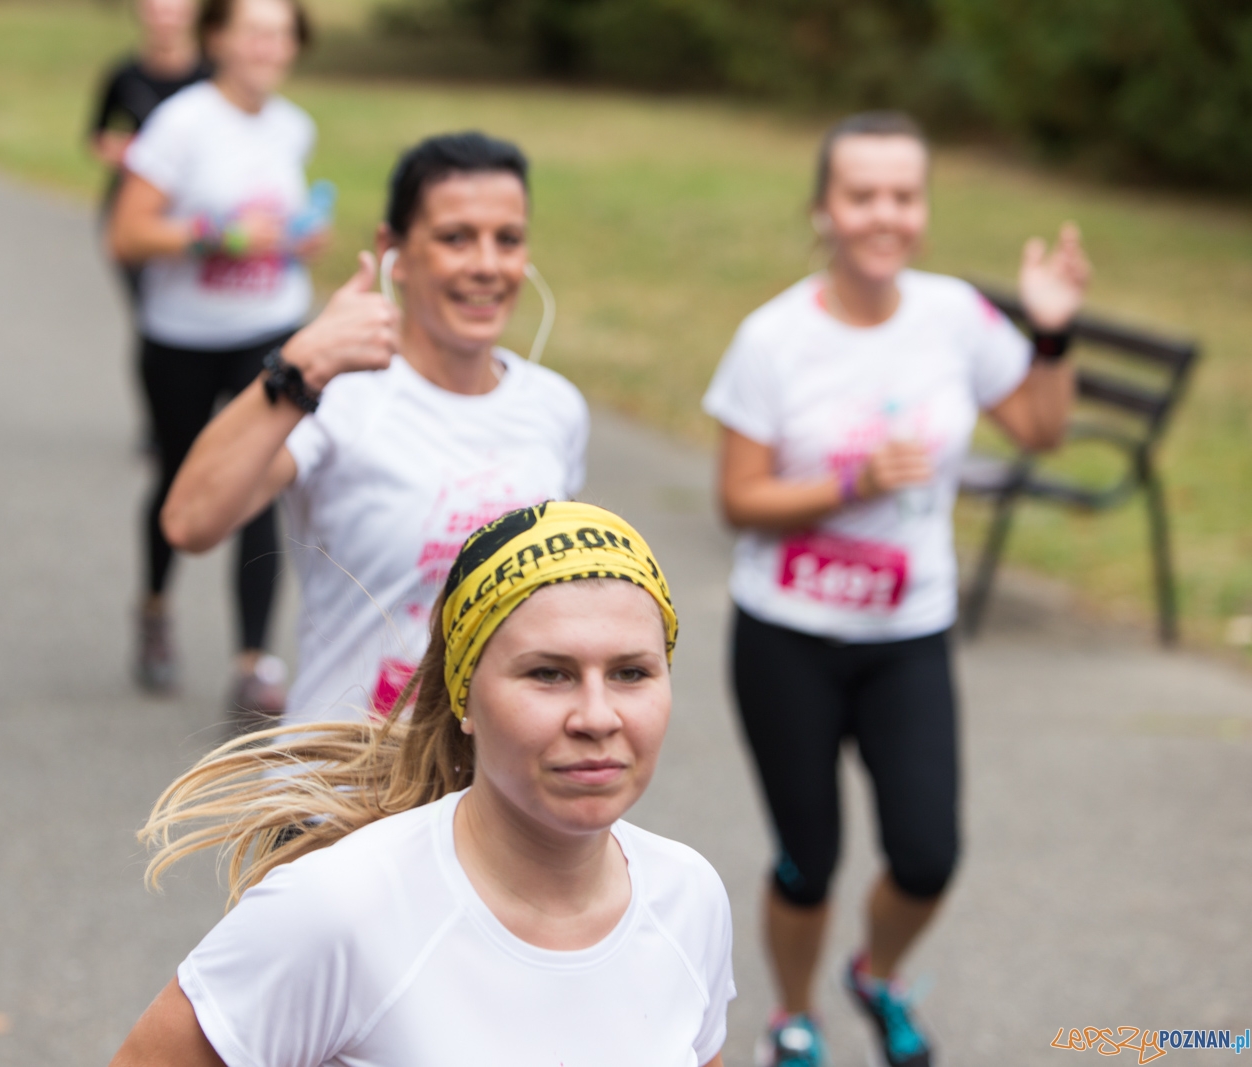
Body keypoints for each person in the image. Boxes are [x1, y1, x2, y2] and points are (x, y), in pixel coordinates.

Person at [703, 111, 1088, 1067]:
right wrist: (850, 483)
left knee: (927, 855)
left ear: (922, 206)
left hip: (909, 634)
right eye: (862, 194)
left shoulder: (954, 316)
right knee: (809, 858)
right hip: (787, 635)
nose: (885, 214)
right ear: (824, 209)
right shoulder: (773, 338)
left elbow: (1040, 428)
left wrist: (1052, 330)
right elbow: (738, 500)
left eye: (904, 196)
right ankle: (794, 1017)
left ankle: (875, 973)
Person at [110, 501, 734, 1067]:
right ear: (466, 696)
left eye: (631, 672)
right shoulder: (339, 908)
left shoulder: (690, 896)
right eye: (548, 673)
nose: (598, 716)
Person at [161, 131, 590, 726]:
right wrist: (298, 369)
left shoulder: (555, 407)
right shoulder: (337, 396)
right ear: (395, 251)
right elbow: (189, 522)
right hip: (337, 790)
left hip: (484, 797)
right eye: (455, 238)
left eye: (508, 239)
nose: (487, 265)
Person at [107, 0, 324, 707]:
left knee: (263, 477)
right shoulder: (182, 122)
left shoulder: (294, 126)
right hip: (182, 336)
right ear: (218, 38)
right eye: (254, 31)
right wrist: (218, 237)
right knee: (181, 478)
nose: (269, 46)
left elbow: (279, 223)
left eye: (282, 34)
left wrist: (297, 237)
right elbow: (127, 234)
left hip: (269, 329)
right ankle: (154, 608)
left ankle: (254, 659)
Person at [89, 0, 209, 454]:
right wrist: (126, 152)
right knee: (154, 318)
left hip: (196, 215)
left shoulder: (213, 76)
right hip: (133, 213)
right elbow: (97, 136)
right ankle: (164, 421)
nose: (165, 14)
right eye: (156, 6)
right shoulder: (124, 75)